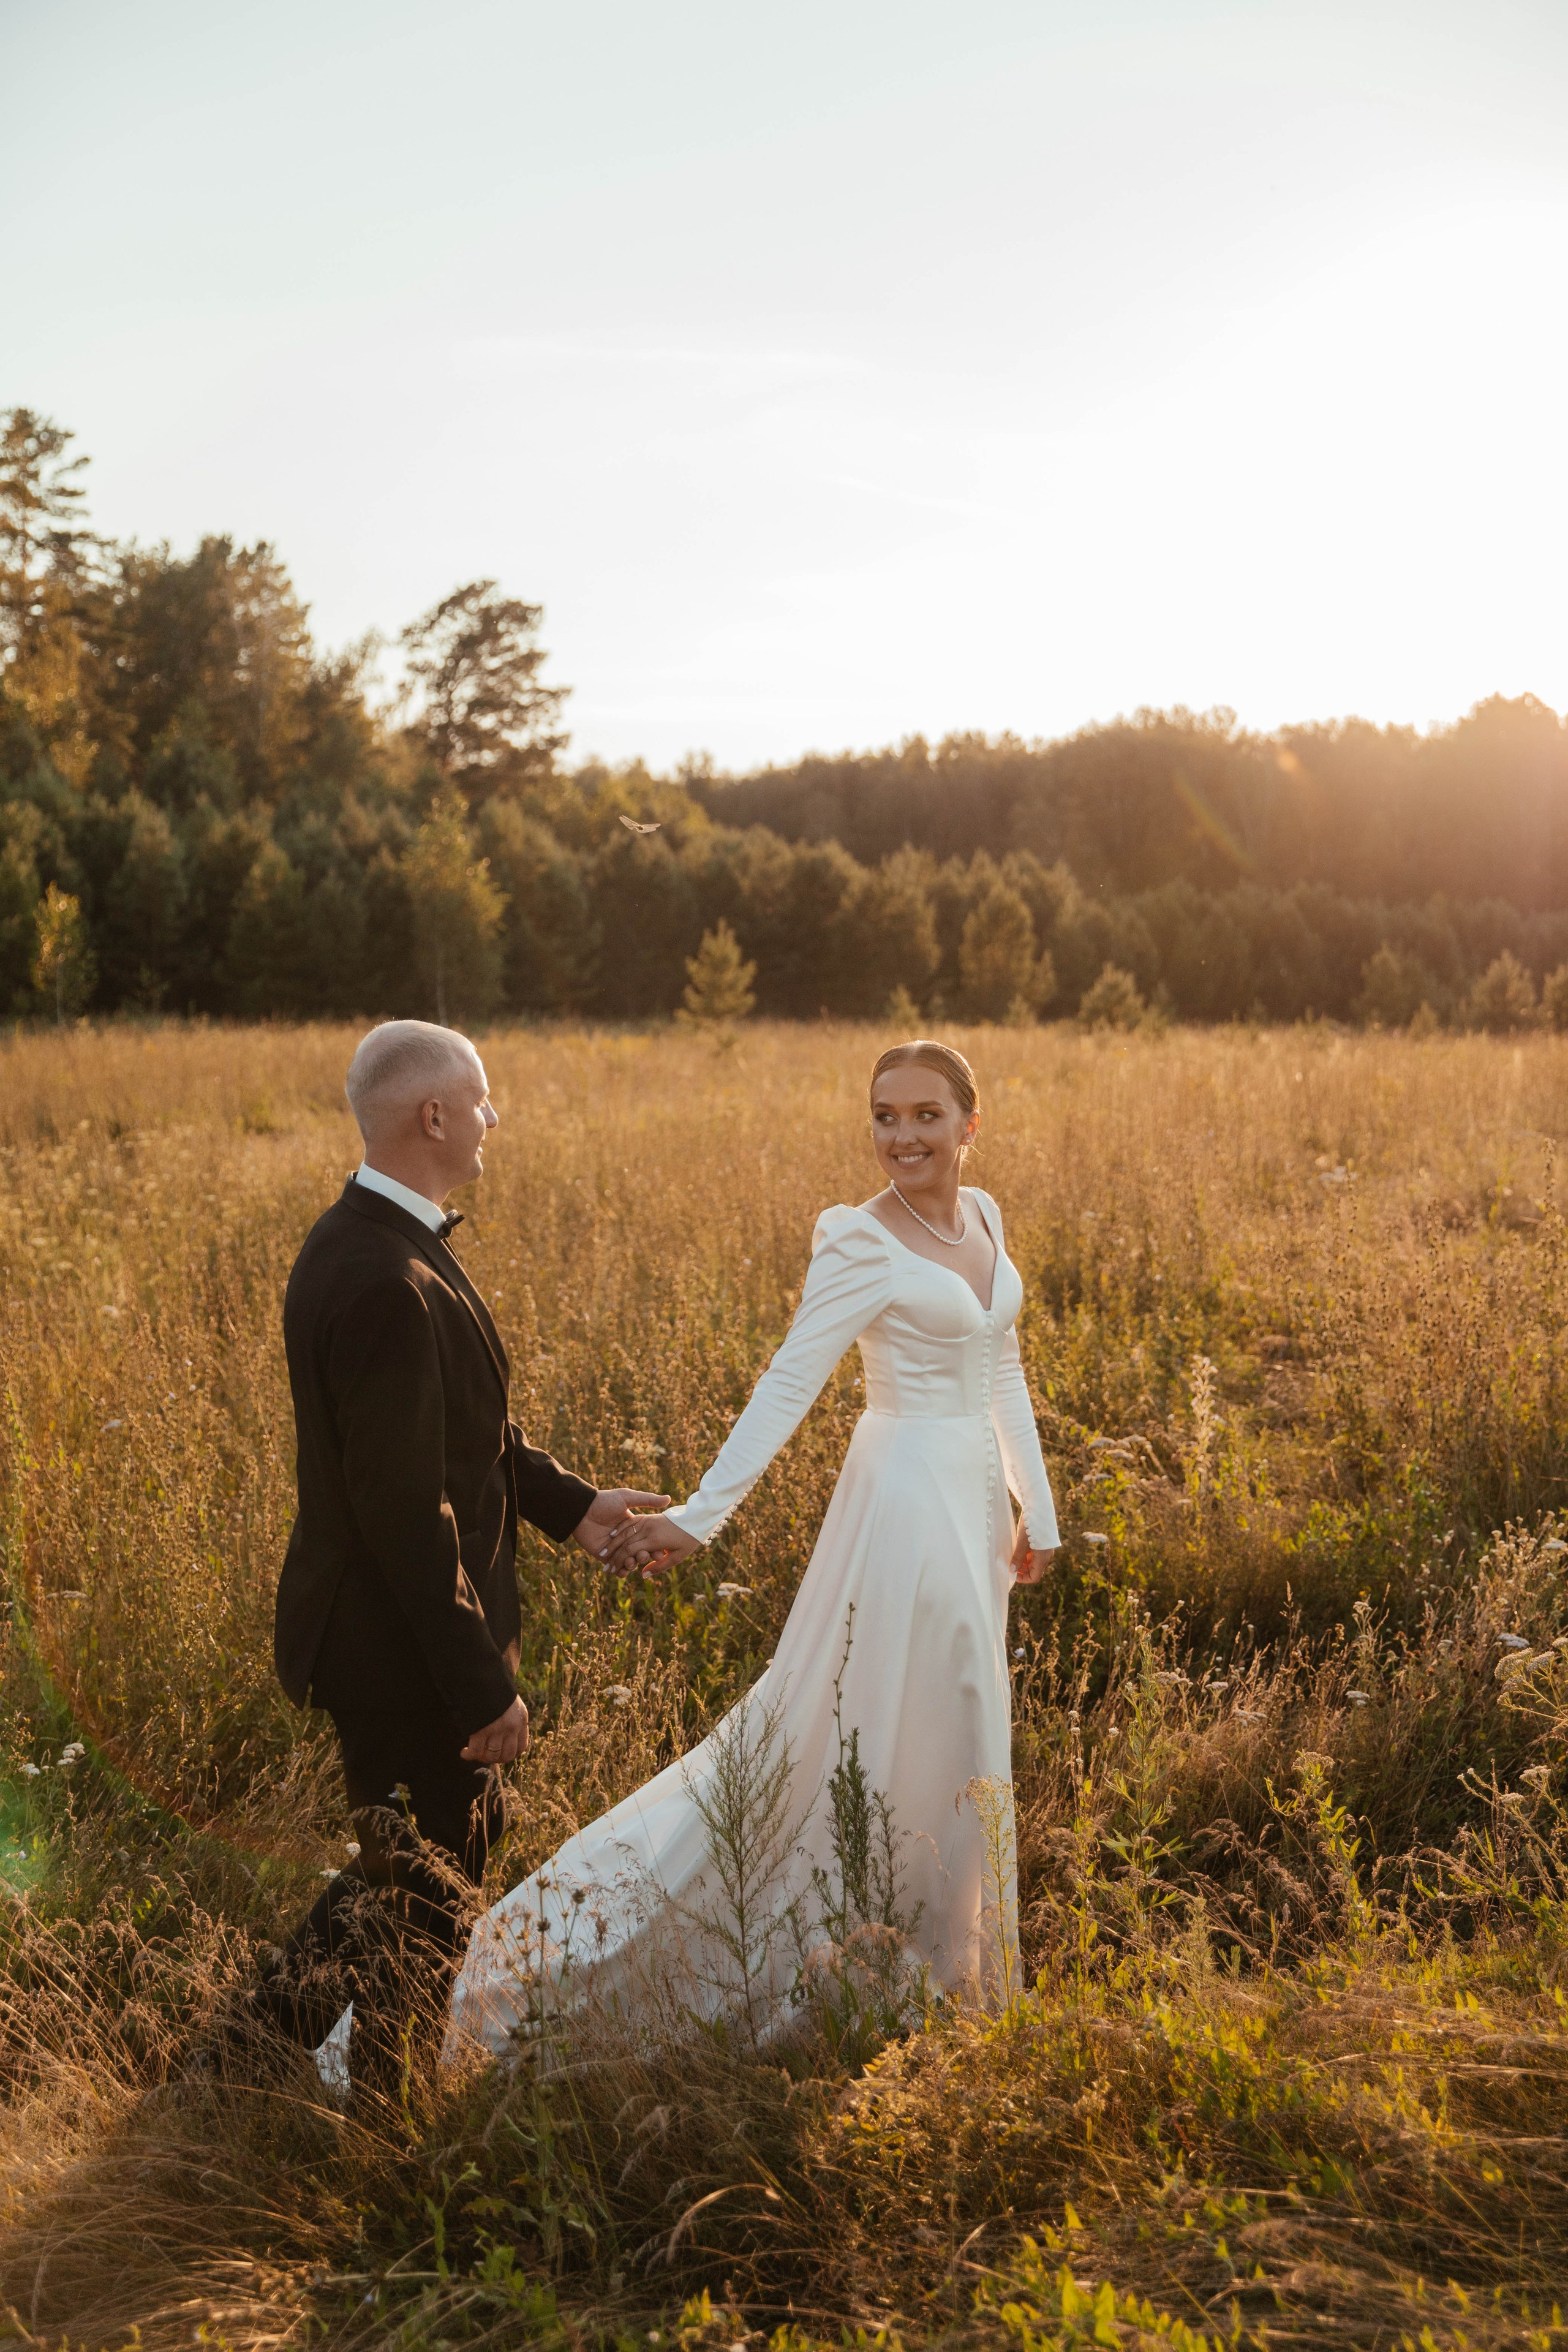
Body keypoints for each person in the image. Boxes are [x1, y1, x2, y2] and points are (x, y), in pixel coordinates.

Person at [448, 1039, 1058, 2052]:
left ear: (969, 1124)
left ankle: (949, 1967)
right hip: (904, 1502)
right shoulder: (862, 1241)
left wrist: (1035, 1509)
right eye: (884, 1116)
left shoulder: (984, 1217)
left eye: (923, 1115)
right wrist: (701, 1514)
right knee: (893, 1712)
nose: (901, 1136)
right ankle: (854, 1960)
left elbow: (1003, 1373)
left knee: (960, 1716)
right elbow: (791, 1381)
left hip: (975, 1514)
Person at [251, 1019, 667, 2101]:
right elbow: (403, 1510)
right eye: (483, 1101)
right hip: (397, 1646)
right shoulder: (384, 1276)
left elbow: (459, 1440)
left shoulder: (379, 1244)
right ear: (433, 1116)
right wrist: (482, 1683)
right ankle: (379, 2116)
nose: (494, 1119)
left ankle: (241, 2063)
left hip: (390, 1634)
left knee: (410, 1867)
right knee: (430, 1885)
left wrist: (573, 1508)